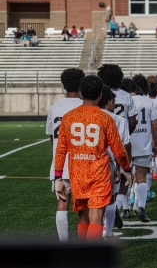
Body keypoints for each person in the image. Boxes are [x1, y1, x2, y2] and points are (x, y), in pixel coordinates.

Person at [53, 75, 132, 241]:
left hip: (78, 173)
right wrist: (127, 169)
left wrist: (58, 177)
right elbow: (119, 149)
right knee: (96, 215)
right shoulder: (105, 119)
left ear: (81, 93)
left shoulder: (69, 117)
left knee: (83, 215)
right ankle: (91, 256)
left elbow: (60, 150)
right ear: (101, 95)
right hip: (98, 174)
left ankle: (83, 255)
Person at [46, 68, 85, 242]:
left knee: (62, 204)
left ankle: (64, 245)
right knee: (83, 208)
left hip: (60, 164)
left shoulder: (55, 107)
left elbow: (52, 139)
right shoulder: (85, 106)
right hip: (82, 163)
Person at [98, 85, 131, 239]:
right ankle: (108, 232)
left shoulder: (89, 116)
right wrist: (123, 168)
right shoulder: (118, 119)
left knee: (92, 204)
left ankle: (94, 235)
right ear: (110, 102)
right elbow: (121, 147)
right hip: (110, 164)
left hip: (85, 163)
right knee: (110, 198)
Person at [130, 74, 157, 222]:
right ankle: (141, 207)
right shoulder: (148, 102)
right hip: (143, 144)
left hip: (127, 144)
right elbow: (155, 125)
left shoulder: (125, 101)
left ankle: (123, 207)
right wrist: (156, 143)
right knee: (141, 178)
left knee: (124, 178)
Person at [97, 64, 138, 135]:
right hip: (120, 135)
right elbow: (132, 123)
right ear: (119, 78)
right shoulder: (126, 95)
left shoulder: (97, 94)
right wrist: (125, 136)